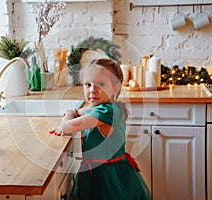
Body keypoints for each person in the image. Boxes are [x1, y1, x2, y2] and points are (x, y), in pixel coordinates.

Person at [49, 58, 151, 200]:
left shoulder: (105, 112)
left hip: (105, 176)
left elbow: (68, 126)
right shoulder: (104, 107)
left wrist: (69, 115)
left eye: (100, 84)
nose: (92, 90)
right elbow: (83, 111)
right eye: (88, 84)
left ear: (115, 87)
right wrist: (75, 112)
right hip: (99, 171)